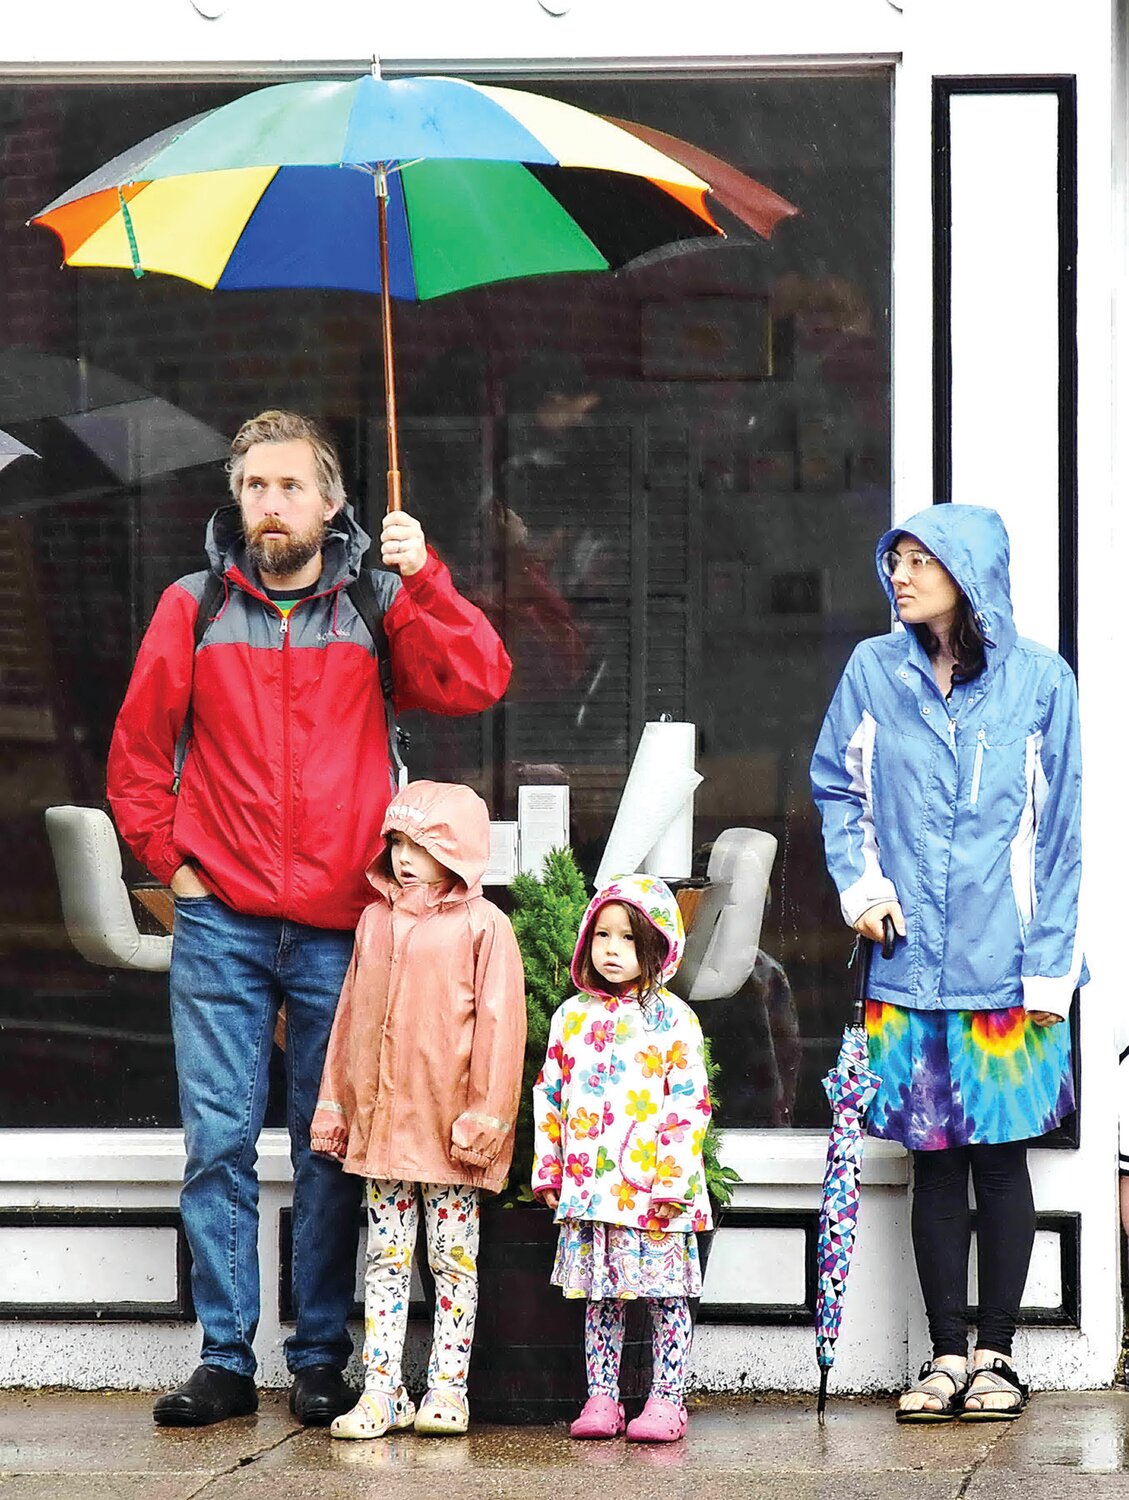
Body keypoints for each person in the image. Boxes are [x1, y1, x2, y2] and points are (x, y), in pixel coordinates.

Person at [106, 410, 512, 1428]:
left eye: (291, 487)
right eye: (254, 487)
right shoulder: (191, 608)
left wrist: (427, 583)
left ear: (334, 503)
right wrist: (174, 864)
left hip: (348, 926)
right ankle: (226, 1358)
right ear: (235, 501)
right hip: (223, 924)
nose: (271, 505)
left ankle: (321, 1357)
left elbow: (477, 681)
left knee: (335, 1147)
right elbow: (135, 759)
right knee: (217, 1142)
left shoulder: (377, 603)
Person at [811, 503, 1085, 1424]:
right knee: (932, 1165)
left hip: (1008, 973)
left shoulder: (1040, 681)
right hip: (905, 968)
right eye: (895, 559)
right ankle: (942, 1355)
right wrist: (861, 889)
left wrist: (1049, 972)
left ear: (968, 573)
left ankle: (999, 1355)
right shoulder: (872, 671)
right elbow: (836, 789)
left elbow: (1060, 836)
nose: (901, 575)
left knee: (1000, 1164)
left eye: (922, 561)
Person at [309, 780, 526, 1439]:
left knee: (452, 1258)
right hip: (382, 1130)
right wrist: (336, 1106)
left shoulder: (485, 927)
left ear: (457, 851)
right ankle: (381, 1391)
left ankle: (447, 1390)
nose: (403, 857)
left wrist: (484, 1119)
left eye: (422, 845)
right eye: (397, 842)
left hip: (446, 1130)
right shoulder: (374, 921)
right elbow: (348, 1019)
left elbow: (500, 1029)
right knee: (384, 1259)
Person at [532, 874, 713, 1444]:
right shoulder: (572, 1018)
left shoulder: (674, 1019)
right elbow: (550, 1093)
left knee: (665, 1297)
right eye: (603, 935)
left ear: (657, 945)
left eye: (629, 939)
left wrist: (673, 1181)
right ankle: (602, 1396)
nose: (611, 950)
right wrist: (551, 1168)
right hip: (592, 1189)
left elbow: (689, 1102)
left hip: (658, 1193)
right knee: (601, 1297)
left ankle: (667, 1396)